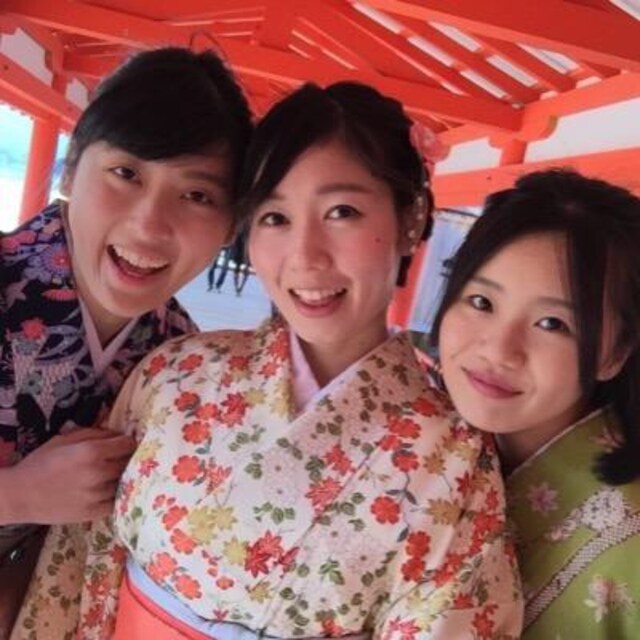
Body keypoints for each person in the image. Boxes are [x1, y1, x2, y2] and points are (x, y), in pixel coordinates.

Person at [16, 81, 523, 640]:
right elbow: (78, 566)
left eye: (342, 211)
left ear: (411, 218)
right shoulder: (176, 372)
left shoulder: (453, 457)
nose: (305, 256)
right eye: (275, 218)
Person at [0, 46, 252, 636]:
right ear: (70, 170)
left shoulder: (181, 361)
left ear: (231, 225)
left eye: (196, 195)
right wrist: (18, 495)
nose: (149, 224)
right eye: (126, 174)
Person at [430, 169, 640, 638]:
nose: (499, 350)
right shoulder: (420, 440)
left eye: (551, 324)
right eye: (482, 302)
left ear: (616, 353)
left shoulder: (629, 542)